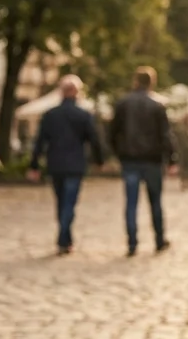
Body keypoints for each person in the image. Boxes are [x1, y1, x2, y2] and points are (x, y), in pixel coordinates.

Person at [28, 74, 103, 255]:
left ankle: (64, 239)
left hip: (56, 164)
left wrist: (34, 165)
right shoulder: (83, 115)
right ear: (77, 92)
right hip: (75, 165)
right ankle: (64, 238)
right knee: (69, 203)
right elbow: (94, 140)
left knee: (61, 202)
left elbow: (39, 142)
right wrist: (99, 160)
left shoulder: (50, 115)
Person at [110, 66, 174, 256]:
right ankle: (159, 240)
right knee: (155, 202)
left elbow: (113, 133)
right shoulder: (157, 105)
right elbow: (166, 135)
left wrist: (119, 153)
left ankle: (132, 242)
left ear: (135, 81)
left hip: (130, 160)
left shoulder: (123, 103)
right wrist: (172, 158)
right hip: (152, 160)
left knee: (131, 203)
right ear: (151, 82)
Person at [172, 112, 188, 191]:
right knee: (185, 167)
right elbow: (183, 143)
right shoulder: (181, 129)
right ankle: (185, 183)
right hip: (183, 151)